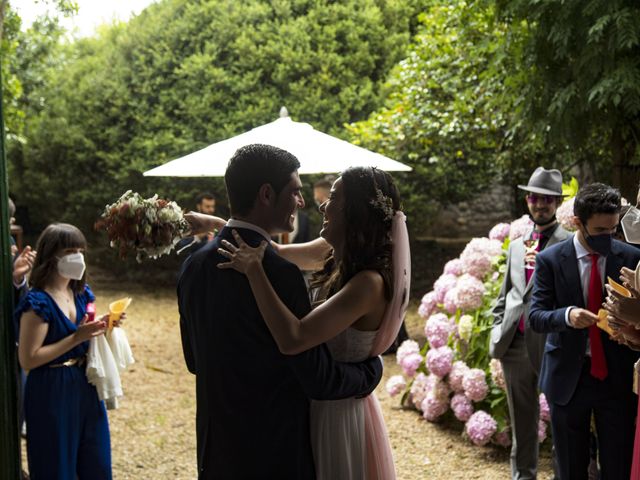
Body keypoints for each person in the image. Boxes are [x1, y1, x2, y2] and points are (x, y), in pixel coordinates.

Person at [177, 144, 385, 480]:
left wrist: (219, 227)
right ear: (266, 194)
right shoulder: (281, 274)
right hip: (275, 449)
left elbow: (194, 360)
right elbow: (316, 375)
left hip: (217, 449)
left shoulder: (193, 265)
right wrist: (371, 371)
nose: (303, 203)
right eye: (296, 191)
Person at [217, 165, 410, 479]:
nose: (322, 205)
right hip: (318, 402)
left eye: (332, 198)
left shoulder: (368, 284)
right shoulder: (336, 253)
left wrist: (254, 274)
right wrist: (218, 226)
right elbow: (274, 249)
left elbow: (294, 337)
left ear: (354, 211)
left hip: (338, 414)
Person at [529, 183, 640, 479]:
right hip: (568, 377)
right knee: (570, 468)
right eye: (601, 231)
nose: (609, 237)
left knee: (618, 466)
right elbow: (536, 316)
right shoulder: (549, 260)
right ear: (578, 222)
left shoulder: (631, 258)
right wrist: (567, 315)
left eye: (614, 229)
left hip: (617, 378)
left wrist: (630, 332)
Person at [15, 223, 114, 480]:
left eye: (80, 250)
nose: (78, 257)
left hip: (86, 384)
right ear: (52, 255)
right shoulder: (37, 302)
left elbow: (83, 335)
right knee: (55, 466)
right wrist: (75, 337)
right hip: (50, 389)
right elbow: (28, 358)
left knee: (97, 462)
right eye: (70, 250)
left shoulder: (81, 293)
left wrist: (104, 324)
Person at [490, 167, 568, 480]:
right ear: (527, 200)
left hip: (554, 345)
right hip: (515, 345)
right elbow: (505, 295)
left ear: (558, 202)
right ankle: (523, 476)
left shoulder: (569, 243)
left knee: (563, 421)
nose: (541, 204)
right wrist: (498, 331)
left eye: (548, 199)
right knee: (522, 423)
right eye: (536, 197)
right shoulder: (518, 245)